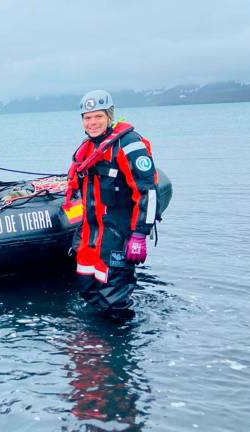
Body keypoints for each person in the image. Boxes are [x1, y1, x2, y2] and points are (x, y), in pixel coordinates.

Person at [66, 90, 159, 320]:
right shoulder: (88, 149)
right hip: (91, 236)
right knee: (88, 289)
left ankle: (119, 348)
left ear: (109, 116)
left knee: (115, 301)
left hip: (117, 235)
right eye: (87, 118)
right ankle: (96, 346)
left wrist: (139, 235)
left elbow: (148, 191)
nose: (93, 122)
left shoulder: (128, 146)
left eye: (98, 116)